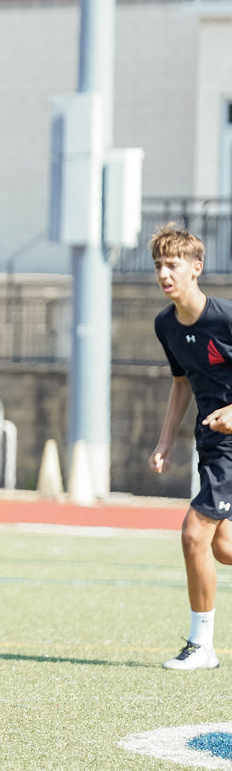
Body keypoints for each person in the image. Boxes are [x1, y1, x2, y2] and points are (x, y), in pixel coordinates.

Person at [149, 223, 232, 670]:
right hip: (211, 445)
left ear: (196, 268)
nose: (164, 273)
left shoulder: (224, 318)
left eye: (173, 264)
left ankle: (202, 646)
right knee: (224, 549)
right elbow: (181, 383)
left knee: (193, 534)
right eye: (159, 265)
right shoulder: (165, 324)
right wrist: (165, 441)